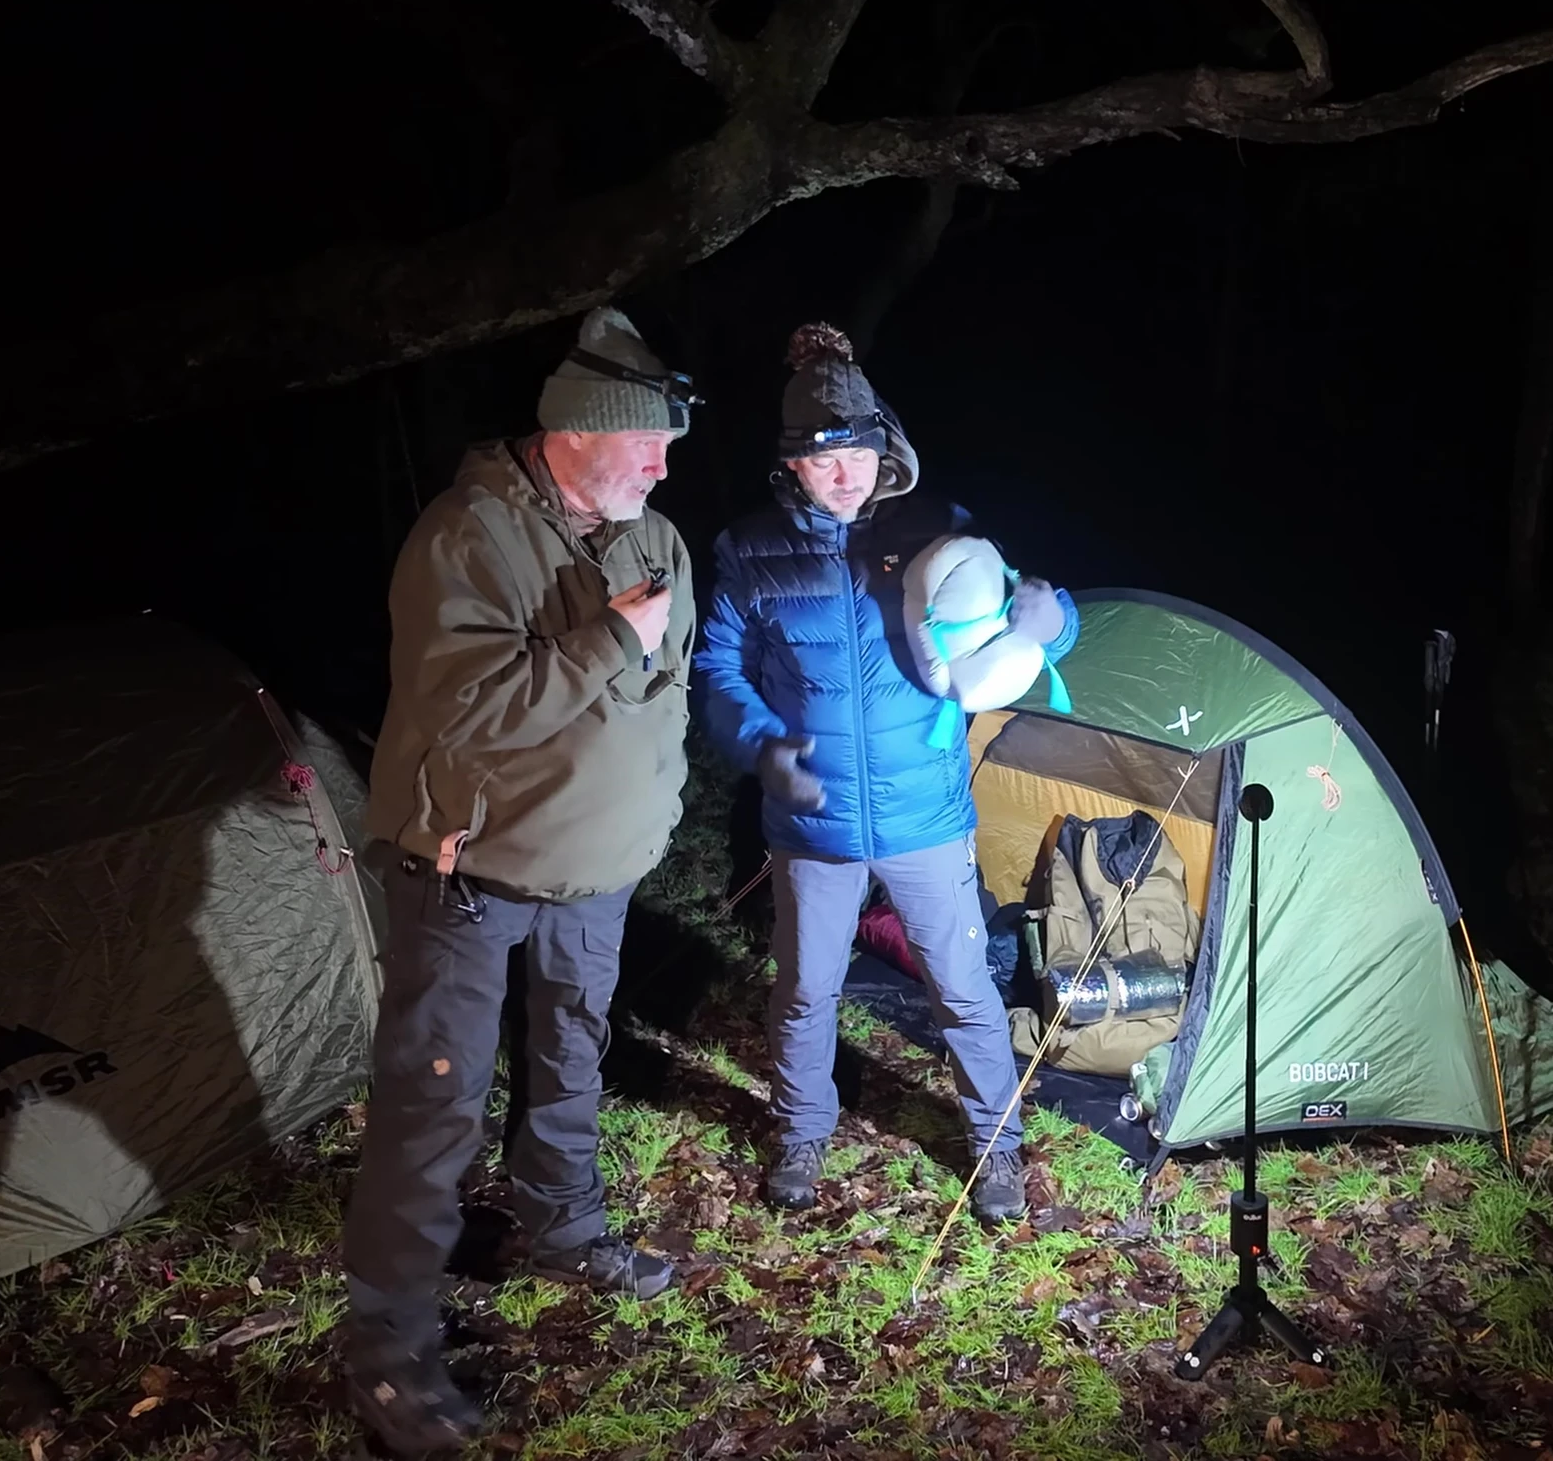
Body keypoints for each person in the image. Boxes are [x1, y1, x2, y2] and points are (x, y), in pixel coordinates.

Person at [340, 307, 699, 1455]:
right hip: (468, 871)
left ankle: (564, 1224)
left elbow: (668, 689)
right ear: (573, 434)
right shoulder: (466, 538)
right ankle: (387, 1346)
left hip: (593, 873)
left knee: (570, 1054)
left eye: (668, 445)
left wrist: (660, 802)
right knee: (434, 1098)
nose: (660, 462)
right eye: (643, 442)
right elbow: (471, 715)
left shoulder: (657, 542)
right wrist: (608, 641)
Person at [692, 322, 1078, 1224]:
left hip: (925, 812)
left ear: (883, 445)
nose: (844, 474)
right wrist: (759, 745)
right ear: (790, 465)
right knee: (804, 991)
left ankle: (998, 1149)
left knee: (963, 986)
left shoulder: (939, 532)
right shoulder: (749, 550)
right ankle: (799, 1134)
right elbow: (716, 668)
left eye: (856, 452)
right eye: (821, 460)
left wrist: (1053, 621)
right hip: (811, 819)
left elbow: (1018, 620)